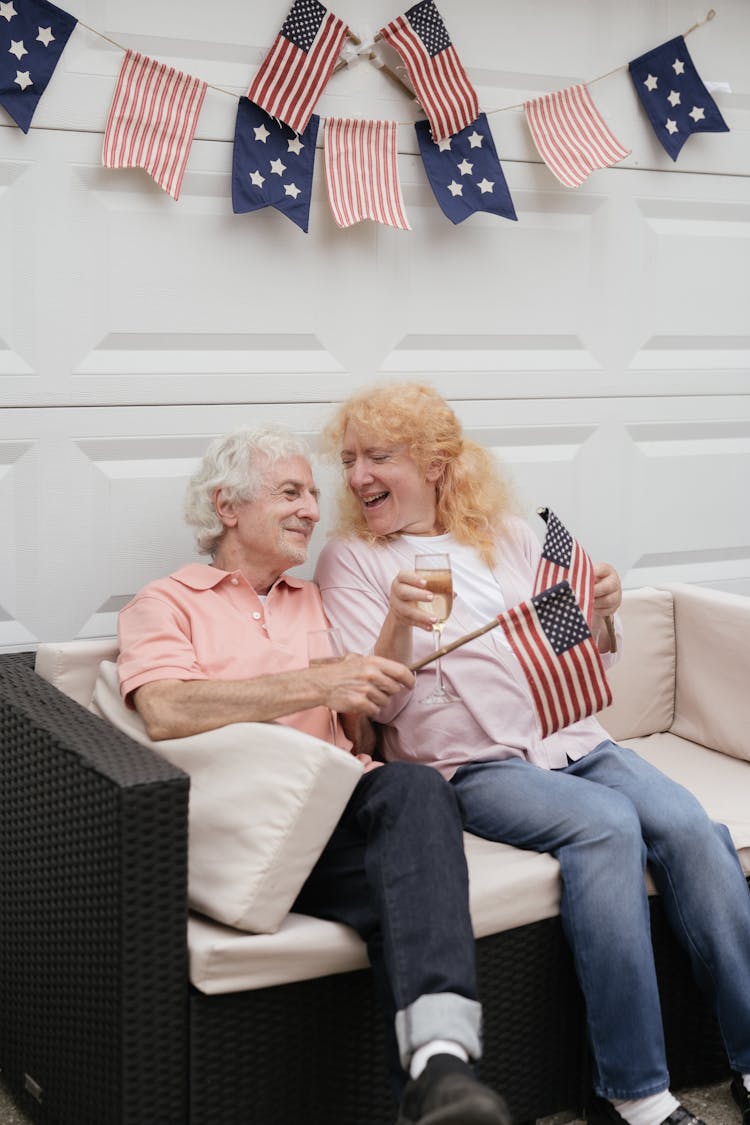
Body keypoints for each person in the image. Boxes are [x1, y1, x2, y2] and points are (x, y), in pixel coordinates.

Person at [315, 381, 750, 1125]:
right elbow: (375, 706)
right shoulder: (353, 559)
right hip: (470, 761)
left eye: (378, 456)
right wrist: (396, 621)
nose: (356, 476)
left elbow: (577, 658)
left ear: (438, 464)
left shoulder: (511, 537)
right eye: (350, 458)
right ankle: (635, 1093)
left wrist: (603, 611)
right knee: (606, 828)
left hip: (572, 737)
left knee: (691, 828)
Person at [116, 424, 510, 1125]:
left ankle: (441, 1067)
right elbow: (166, 707)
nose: (311, 509)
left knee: (417, 792)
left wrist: (382, 641)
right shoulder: (167, 601)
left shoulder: (309, 600)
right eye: (291, 492)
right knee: (410, 892)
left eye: (313, 495)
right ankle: (436, 1079)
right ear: (227, 506)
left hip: (340, 817)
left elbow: (355, 728)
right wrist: (311, 684)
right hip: (255, 832)